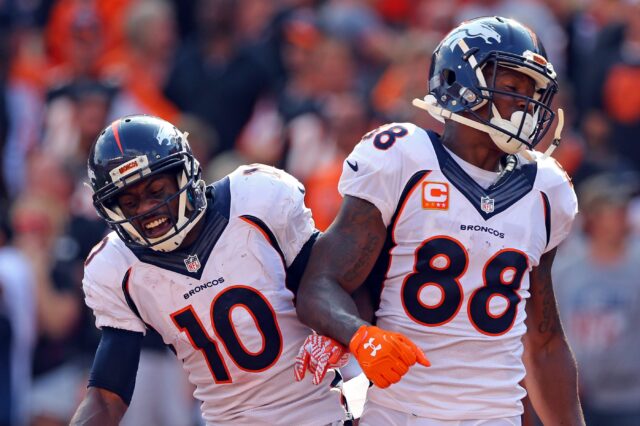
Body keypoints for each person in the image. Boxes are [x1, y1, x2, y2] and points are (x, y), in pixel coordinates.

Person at [294, 16, 585, 425]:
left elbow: (545, 341)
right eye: (512, 86)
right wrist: (359, 335)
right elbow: (319, 284)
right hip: (398, 412)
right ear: (460, 80)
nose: (524, 101)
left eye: (531, 91)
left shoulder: (546, 190)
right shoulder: (403, 157)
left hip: (493, 415)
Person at [70, 115, 347, 425]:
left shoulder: (255, 200)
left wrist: (344, 331)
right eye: (130, 202)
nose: (146, 209)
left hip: (320, 411)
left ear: (184, 174)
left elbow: (327, 283)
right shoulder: (116, 266)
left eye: (156, 190)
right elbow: (107, 396)